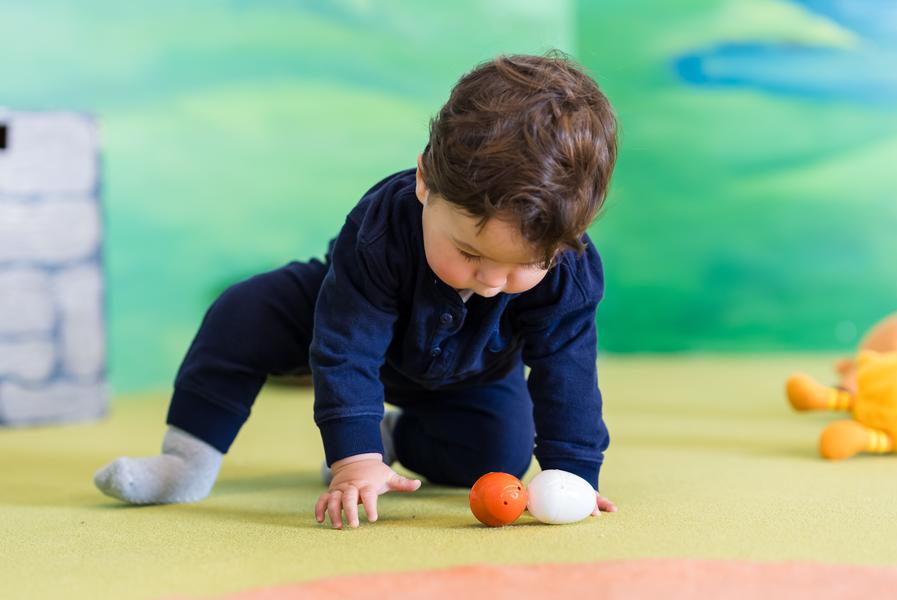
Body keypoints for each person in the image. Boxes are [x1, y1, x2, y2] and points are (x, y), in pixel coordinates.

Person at [94, 52, 619, 529]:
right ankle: (186, 462)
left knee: (494, 454)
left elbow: (568, 373)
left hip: (469, 368)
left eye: (523, 267)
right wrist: (353, 458)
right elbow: (346, 348)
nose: (491, 281)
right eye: (470, 253)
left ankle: (391, 435)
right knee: (243, 312)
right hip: (341, 315)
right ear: (424, 182)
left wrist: (574, 474)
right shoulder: (382, 229)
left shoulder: (566, 268)